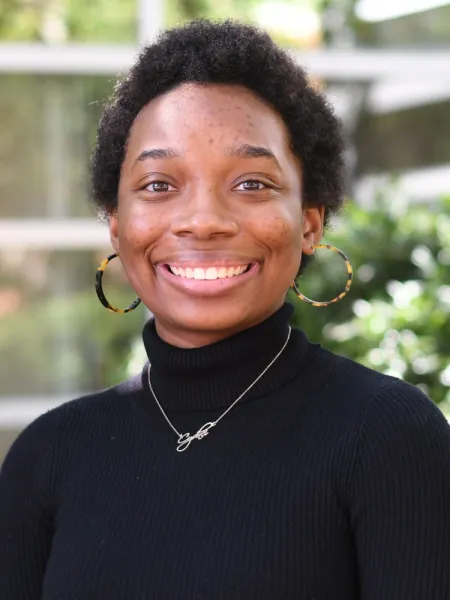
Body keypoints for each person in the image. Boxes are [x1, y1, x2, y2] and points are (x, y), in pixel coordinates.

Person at [0, 19, 449, 600]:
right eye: (160, 185)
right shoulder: (48, 457)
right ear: (116, 222)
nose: (204, 220)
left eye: (253, 184)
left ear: (309, 221)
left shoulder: (388, 437)